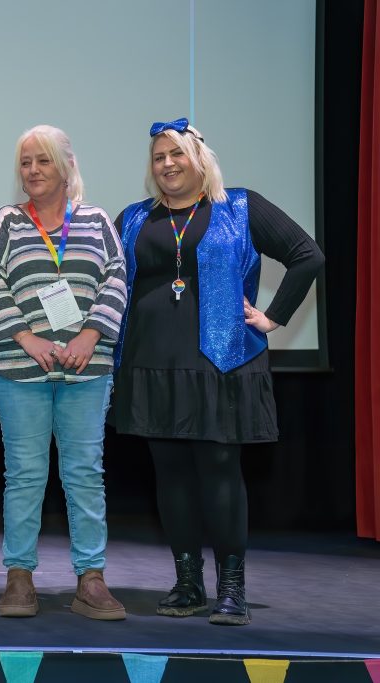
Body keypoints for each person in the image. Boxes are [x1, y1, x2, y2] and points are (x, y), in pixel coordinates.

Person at [113, 118, 324, 626]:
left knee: (219, 473)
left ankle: (232, 586)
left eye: (176, 154)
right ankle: (188, 583)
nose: (167, 164)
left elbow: (307, 255)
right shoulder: (134, 217)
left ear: (199, 159)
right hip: (150, 365)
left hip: (221, 365)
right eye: (159, 157)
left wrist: (273, 317)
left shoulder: (241, 207)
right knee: (171, 477)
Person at [0, 125, 128, 620]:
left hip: (88, 371)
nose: (33, 171)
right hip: (20, 370)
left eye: (43, 161)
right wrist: (27, 337)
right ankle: (19, 577)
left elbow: (116, 277)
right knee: (25, 473)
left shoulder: (97, 220)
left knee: (84, 472)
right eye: (25, 162)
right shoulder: (6, 221)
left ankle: (91, 578)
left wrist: (90, 335)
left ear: (65, 166)